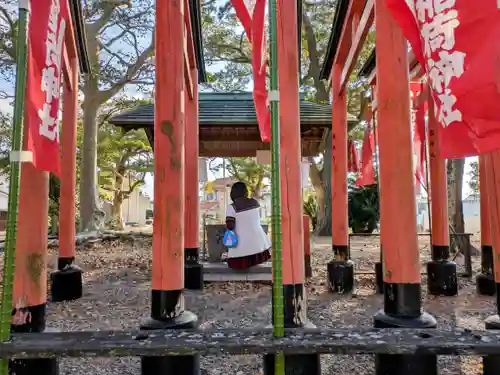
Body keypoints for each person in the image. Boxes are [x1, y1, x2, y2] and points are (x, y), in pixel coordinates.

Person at [225, 181, 271, 269]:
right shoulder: (255, 203)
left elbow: (230, 226)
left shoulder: (232, 207)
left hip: (242, 252)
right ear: (246, 192)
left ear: (233, 193)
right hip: (260, 248)